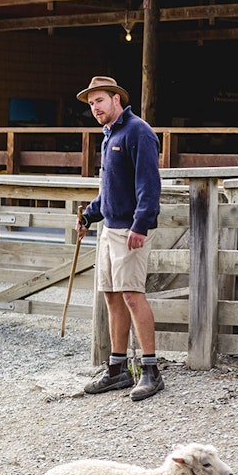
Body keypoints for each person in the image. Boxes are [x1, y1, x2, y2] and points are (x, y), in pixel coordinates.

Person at [75, 75, 164, 401]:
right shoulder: (110, 134)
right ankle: (117, 368)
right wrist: (90, 214)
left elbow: (149, 185)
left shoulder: (138, 131)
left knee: (131, 295)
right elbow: (111, 189)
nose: (95, 108)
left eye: (99, 100)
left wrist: (140, 226)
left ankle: (151, 371)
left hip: (130, 230)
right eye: (91, 104)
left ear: (116, 98)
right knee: (112, 296)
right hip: (110, 227)